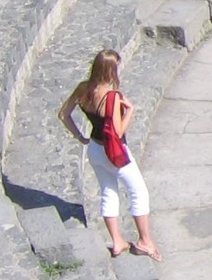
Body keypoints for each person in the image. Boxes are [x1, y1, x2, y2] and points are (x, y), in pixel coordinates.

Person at [56, 49, 160, 262]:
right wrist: (130, 110)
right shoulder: (112, 97)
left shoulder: (83, 89)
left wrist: (79, 136)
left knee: (108, 191)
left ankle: (117, 241)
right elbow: (118, 131)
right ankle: (145, 241)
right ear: (111, 70)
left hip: (94, 149)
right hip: (114, 152)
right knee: (138, 190)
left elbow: (63, 114)